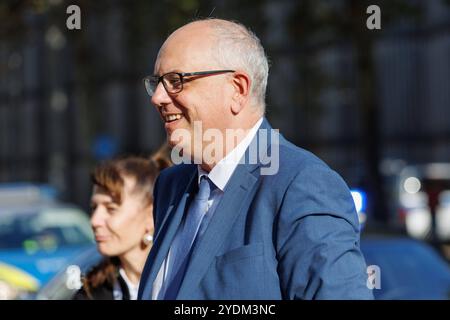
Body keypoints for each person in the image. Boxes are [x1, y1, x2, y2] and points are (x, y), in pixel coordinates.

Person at [138, 18, 373, 300]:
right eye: (157, 83)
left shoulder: (301, 184)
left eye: (176, 81)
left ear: (237, 89)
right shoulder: (170, 186)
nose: (158, 98)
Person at [73, 146, 171, 300]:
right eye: (94, 207)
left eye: (111, 209)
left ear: (151, 216)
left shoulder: (181, 281)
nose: (94, 221)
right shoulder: (91, 293)